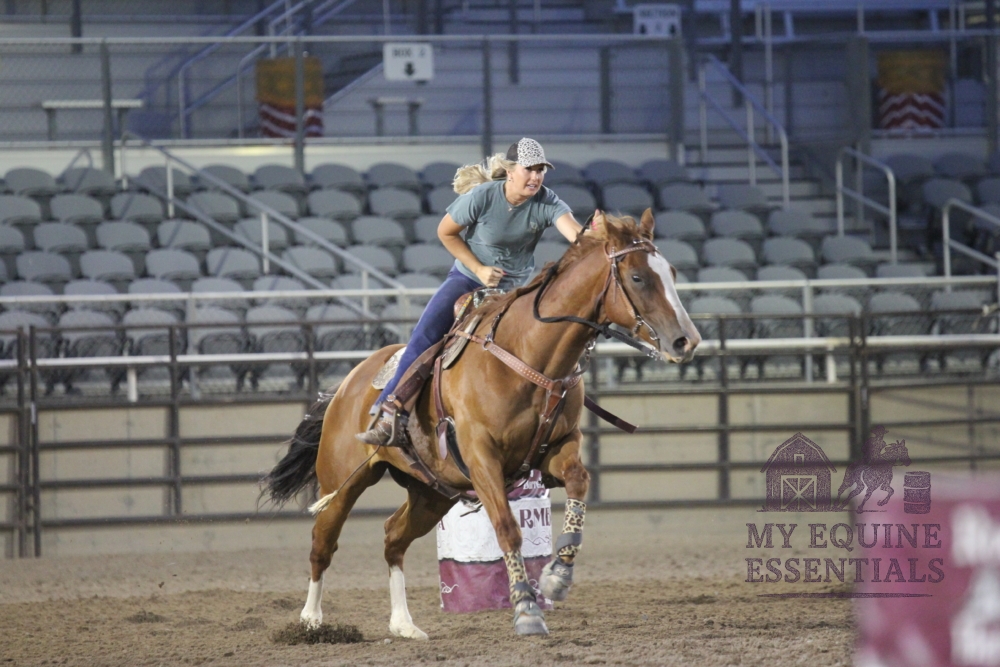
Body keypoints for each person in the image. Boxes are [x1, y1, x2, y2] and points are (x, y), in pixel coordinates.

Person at [357, 138, 585, 446]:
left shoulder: (548, 201)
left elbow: (574, 233)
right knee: (426, 334)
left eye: (541, 170)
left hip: (516, 293)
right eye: (529, 169)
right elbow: (446, 232)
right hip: (467, 280)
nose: (536, 177)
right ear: (510, 171)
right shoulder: (483, 196)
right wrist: (478, 269)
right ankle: (391, 412)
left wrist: (593, 236)